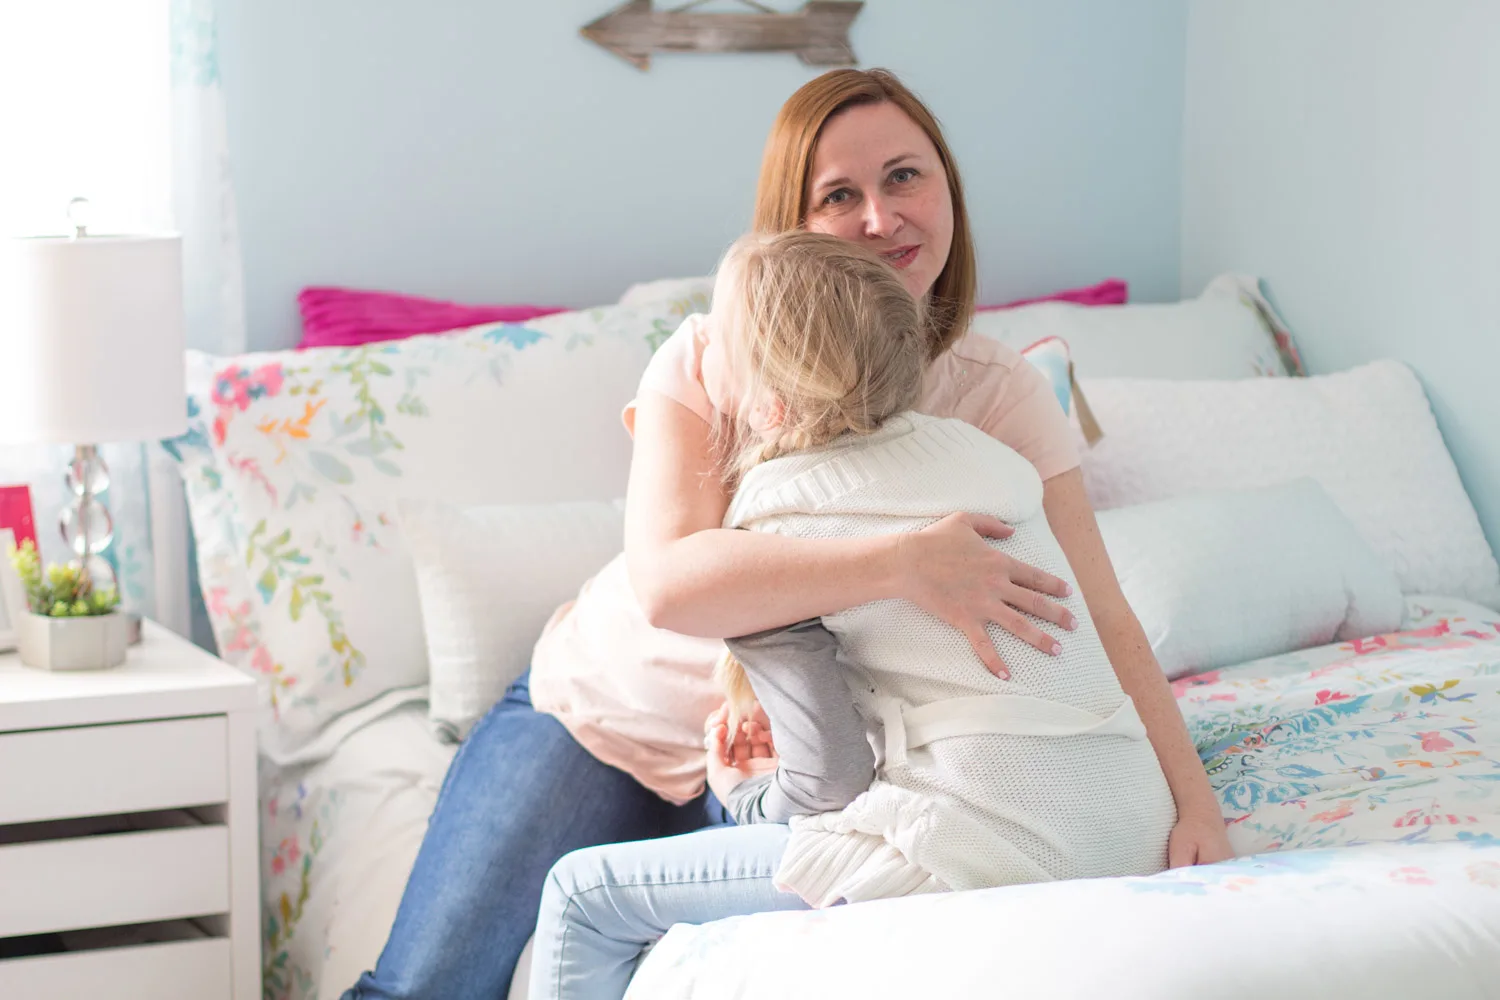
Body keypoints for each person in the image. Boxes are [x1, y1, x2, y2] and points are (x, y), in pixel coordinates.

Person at [344, 68, 1230, 1000]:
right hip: (609, 711)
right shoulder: (708, 359)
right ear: (792, 226)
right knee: (425, 987)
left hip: (811, 769)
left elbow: (1100, 612)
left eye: (904, 178)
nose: (882, 219)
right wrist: (901, 564)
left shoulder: (997, 394)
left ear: (950, 194)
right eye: (839, 195)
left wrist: (1192, 803)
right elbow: (671, 585)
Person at [527, 229, 1179, 1000]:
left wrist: (743, 794)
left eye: (717, 337)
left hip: (980, 848)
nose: (698, 353)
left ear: (767, 401)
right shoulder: (988, 460)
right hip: (1131, 824)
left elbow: (831, 779)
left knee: (581, 893)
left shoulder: (771, 529)